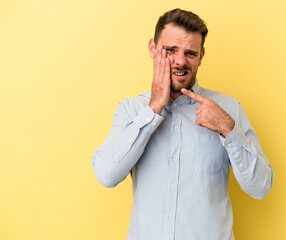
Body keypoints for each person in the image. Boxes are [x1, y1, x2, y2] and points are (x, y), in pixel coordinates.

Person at [92, 8, 273, 240]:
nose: (180, 61)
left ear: (201, 56)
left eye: (190, 53)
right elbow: (106, 175)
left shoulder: (228, 109)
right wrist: (154, 108)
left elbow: (261, 188)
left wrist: (229, 129)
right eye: (170, 50)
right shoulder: (132, 110)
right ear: (153, 49)